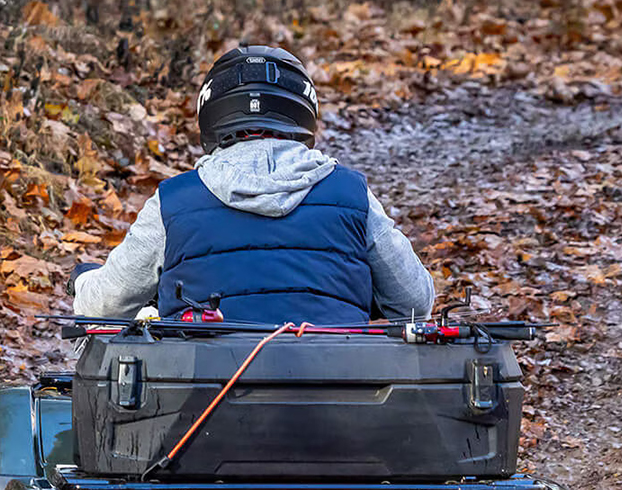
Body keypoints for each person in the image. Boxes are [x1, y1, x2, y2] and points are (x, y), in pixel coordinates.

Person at [72, 44, 434, 325]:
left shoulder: (174, 201)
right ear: (303, 112)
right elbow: (415, 302)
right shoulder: (351, 194)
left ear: (212, 114)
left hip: (199, 403)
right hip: (339, 395)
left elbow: (106, 305)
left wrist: (84, 280)